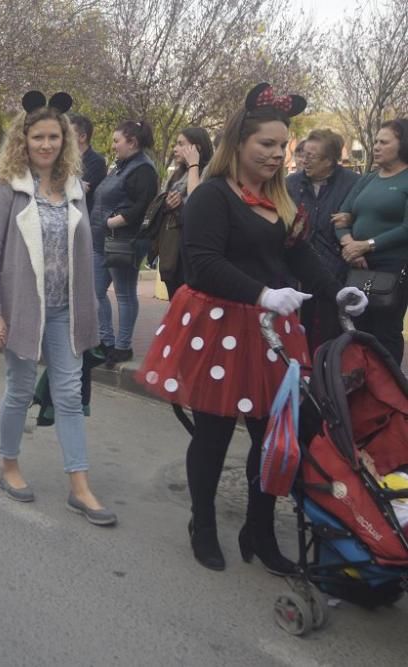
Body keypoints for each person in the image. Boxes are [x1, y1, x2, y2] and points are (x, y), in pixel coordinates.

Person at [135, 83, 368, 573]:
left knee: (275, 436)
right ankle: (202, 525)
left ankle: (259, 530)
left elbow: (301, 256)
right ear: (239, 143)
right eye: (267, 144)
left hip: (271, 333)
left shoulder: (281, 198)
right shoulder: (212, 195)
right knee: (214, 434)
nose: (277, 154)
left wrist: (336, 292)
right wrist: (262, 294)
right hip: (220, 328)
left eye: (283, 145)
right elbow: (203, 264)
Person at [0, 91, 116, 526]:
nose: (46, 144)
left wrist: (91, 309)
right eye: (38, 136)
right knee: (19, 390)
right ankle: (8, 465)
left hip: (65, 311)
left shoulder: (73, 187)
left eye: (54, 136)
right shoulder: (8, 186)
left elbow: (83, 254)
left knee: (69, 394)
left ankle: (80, 486)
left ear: (66, 139)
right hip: (22, 310)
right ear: (24, 139)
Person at [334, 118, 408, 362]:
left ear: (402, 145)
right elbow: (341, 218)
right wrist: (350, 246)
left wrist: (367, 245)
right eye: (375, 141)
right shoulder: (368, 179)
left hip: (393, 267)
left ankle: (390, 383)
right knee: (357, 328)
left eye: (384, 142)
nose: (376, 146)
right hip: (358, 265)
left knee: (386, 331)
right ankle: (361, 380)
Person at [90, 120, 160, 366]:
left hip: (123, 242)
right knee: (96, 291)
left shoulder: (143, 169)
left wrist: (114, 221)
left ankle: (123, 346)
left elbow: (143, 205)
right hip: (101, 241)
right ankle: (106, 340)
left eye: (116, 140)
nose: (113, 145)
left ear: (132, 142)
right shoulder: (121, 166)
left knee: (124, 293)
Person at [285, 128, 360, 349]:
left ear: (329, 161)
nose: (304, 160)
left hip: (337, 270)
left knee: (332, 336)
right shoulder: (291, 183)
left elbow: (367, 216)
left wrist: (353, 217)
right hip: (297, 273)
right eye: (303, 153)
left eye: (312, 156)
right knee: (298, 333)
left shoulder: (353, 183)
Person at [154, 127, 214, 297]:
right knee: (175, 299)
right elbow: (160, 204)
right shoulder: (176, 174)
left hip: (194, 248)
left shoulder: (209, 172)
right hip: (172, 247)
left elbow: (196, 202)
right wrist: (167, 204)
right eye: (175, 144)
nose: (175, 149)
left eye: (181, 144)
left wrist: (194, 164)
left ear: (197, 147)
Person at [68, 115, 107, 213]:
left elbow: (79, 191)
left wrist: (73, 185)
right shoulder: (64, 159)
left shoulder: (97, 162)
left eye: (69, 134)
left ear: (82, 137)